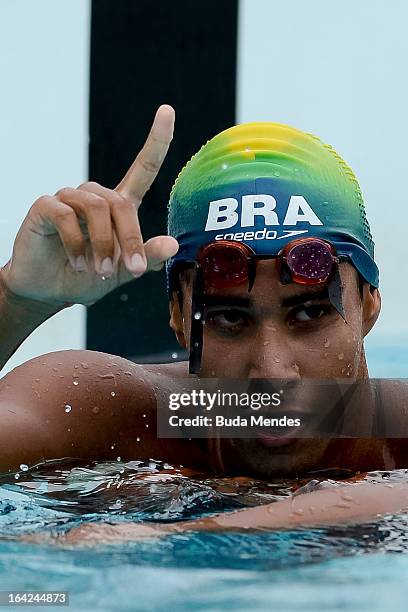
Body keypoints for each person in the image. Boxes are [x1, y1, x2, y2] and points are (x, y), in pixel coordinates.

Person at [0, 105, 407, 536]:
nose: (271, 373)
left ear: (369, 304)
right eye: (231, 318)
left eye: (309, 313)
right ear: (178, 317)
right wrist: (16, 299)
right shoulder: (120, 413)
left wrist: (179, 533)